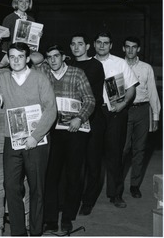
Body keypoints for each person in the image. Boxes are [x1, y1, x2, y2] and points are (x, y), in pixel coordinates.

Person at [0, 42, 57, 236]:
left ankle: (36, 231)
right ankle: (18, 232)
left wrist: (35, 136)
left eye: (20, 57)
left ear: (28, 58)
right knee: (11, 186)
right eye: (12, 57)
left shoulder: (40, 78)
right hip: (12, 141)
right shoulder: (3, 77)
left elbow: (51, 110)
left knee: (36, 188)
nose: (16, 61)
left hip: (36, 142)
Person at [42, 44, 95, 233]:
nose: (53, 60)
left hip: (74, 130)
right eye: (49, 57)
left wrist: (79, 118)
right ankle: (49, 219)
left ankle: (67, 217)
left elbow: (90, 100)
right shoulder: (44, 72)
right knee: (50, 175)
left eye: (56, 56)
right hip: (52, 130)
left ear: (63, 57)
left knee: (73, 175)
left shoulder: (77, 73)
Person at [94, 31, 139, 208]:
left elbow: (131, 89)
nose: (102, 45)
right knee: (93, 155)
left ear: (111, 45)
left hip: (116, 112)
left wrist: (124, 104)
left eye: (106, 43)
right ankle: (89, 197)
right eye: (99, 42)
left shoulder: (120, 63)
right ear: (94, 44)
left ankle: (115, 194)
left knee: (115, 155)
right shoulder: (89, 63)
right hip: (95, 113)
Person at [69, 33, 105, 216]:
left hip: (93, 119)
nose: (76, 47)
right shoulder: (68, 64)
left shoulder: (95, 66)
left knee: (92, 161)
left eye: (80, 44)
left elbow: (93, 96)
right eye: (73, 44)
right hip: (71, 118)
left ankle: (88, 200)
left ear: (87, 46)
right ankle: (72, 198)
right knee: (76, 162)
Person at [122, 36, 161, 198]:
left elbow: (152, 92)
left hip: (142, 111)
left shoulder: (146, 68)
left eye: (134, 47)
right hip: (124, 110)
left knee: (139, 149)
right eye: (127, 47)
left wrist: (156, 115)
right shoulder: (118, 65)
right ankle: (117, 184)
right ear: (123, 48)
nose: (130, 50)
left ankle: (134, 185)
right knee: (123, 149)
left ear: (138, 49)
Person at [2, 0, 44, 66]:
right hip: (14, 52)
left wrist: (38, 37)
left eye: (27, 1)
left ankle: (22, 63)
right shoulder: (9, 19)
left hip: (27, 52)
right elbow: (4, 42)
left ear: (29, 3)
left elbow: (33, 44)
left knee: (40, 57)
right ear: (16, 2)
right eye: (21, 1)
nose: (24, 4)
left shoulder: (31, 19)